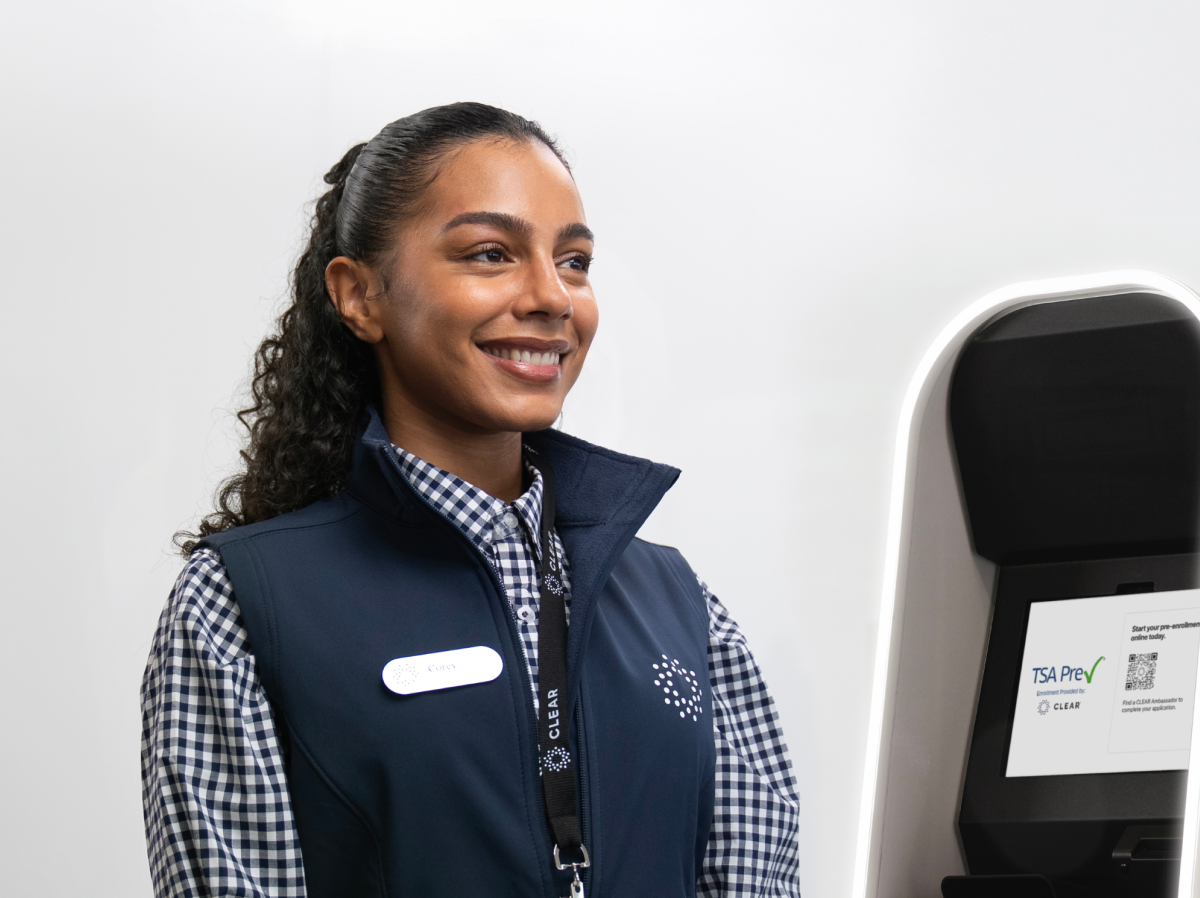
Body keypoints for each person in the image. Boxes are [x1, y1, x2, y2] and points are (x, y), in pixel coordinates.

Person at [139, 103, 800, 897]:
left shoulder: (681, 604)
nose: (552, 296)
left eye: (575, 261)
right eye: (490, 253)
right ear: (360, 296)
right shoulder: (240, 606)